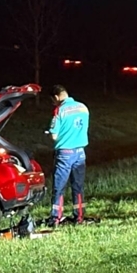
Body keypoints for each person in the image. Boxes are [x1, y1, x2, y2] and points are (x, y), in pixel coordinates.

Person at [47, 85, 90, 225]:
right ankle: (79, 216)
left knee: (59, 187)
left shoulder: (60, 110)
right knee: (78, 186)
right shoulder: (83, 107)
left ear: (56, 97)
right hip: (80, 152)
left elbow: (54, 136)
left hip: (65, 153)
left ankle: (56, 217)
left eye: (53, 101)